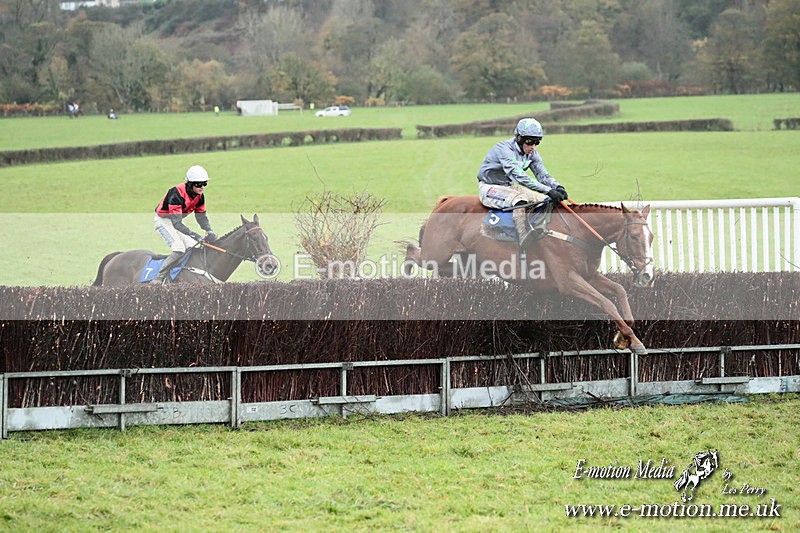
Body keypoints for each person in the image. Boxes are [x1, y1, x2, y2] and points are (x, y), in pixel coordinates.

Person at [477, 118, 568, 247]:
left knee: (545, 200)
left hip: (508, 186)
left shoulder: (532, 154)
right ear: (519, 138)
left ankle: (539, 230)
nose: (533, 147)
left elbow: (542, 175)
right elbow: (519, 176)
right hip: (489, 187)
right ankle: (523, 236)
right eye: (530, 142)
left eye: (537, 142)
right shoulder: (503, 149)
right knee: (520, 200)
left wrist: (557, 187)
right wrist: (548, 190)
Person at [150, 165, 218, 283]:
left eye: (204, 184)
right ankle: (159, 278)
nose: (202, 187)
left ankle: (181, 274)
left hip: (175, 222)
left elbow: (201, 217)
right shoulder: (176, 193)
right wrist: (194, 234)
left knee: (193, 247)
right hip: (164, 221)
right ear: (190, 184)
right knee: (179, 249)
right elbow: (176, 223)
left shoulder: (200, 197)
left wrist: (209, 230)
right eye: (199, 184)